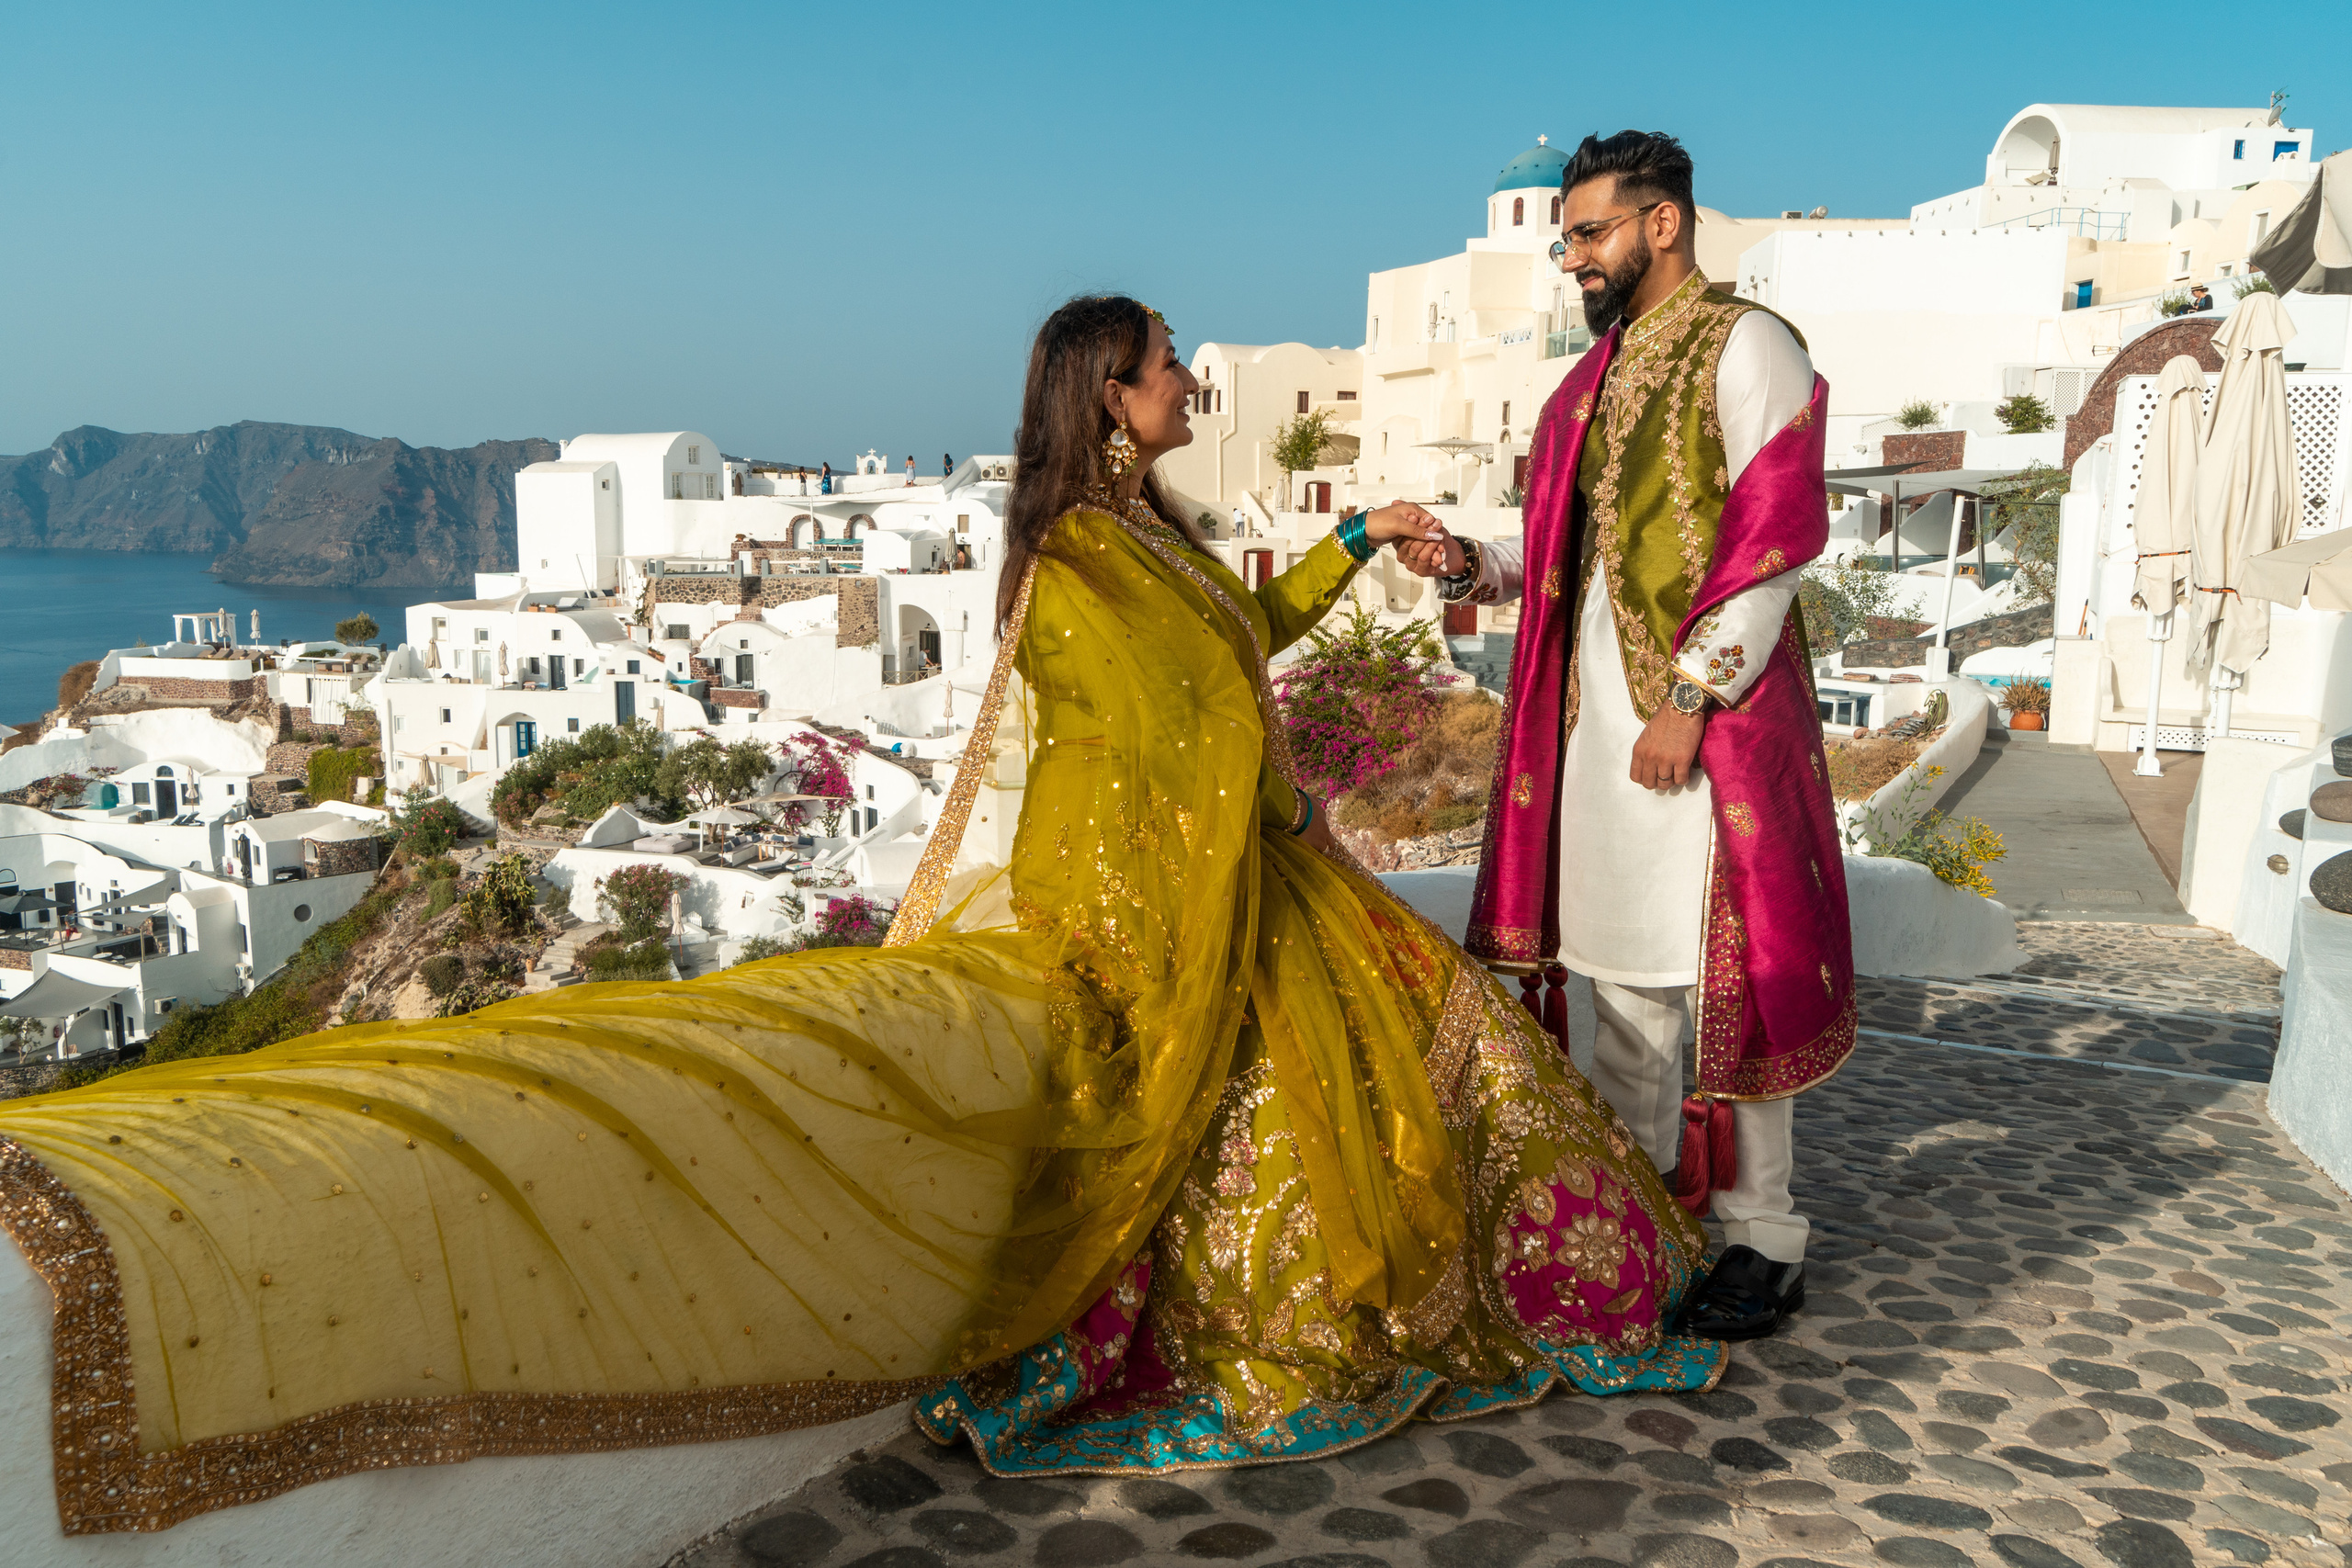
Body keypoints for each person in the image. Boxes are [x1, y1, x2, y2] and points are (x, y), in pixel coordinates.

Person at [0, 296, 1724, 1535]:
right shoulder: (1073, 556)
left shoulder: (1163, 537)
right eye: (1167, 364)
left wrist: (1357, 543)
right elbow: (1143, 745)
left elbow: (1231, 664)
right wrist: (1224, 820)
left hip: (1268, 886)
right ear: (1108, 396)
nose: (1192, 378)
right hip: (1191, 902)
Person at [1400, 131, 1851, 1342]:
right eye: (1568, 243)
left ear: (1663, 224)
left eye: (1592, 235)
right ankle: (1639, 1212)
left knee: (1733, 983)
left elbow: (1778, 535)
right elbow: (1567, 549)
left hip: (1716, 726)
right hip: (1599, 733)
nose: (1576, 262)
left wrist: (1691, 698)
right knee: (1630, 989)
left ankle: (1765, 1238)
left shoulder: (1748, 344)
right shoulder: (1587, 384)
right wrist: (1476, 562)